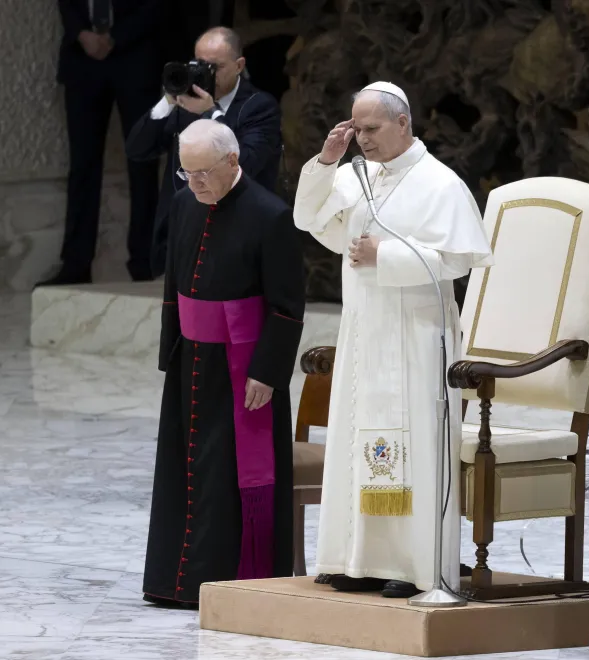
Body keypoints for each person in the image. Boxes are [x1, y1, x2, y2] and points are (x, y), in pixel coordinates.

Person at [294, 82, 493, 599]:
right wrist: (325, 159)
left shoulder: (439, 184)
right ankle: (354, 558)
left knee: (413, 446)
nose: (362, 139)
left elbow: (458, 261)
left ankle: (411, 565)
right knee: (355, 439)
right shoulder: (358, 175)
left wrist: (387, 255)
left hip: (416, 336)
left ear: (403, 123)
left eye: (371, 129)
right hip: (365, 331)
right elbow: (307, 217)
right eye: (355, 129)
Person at [142, 119, 305, 608]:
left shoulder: (270, 215)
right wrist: (171, 349)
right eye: (186, 173)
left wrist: (267, 372)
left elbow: (286, 304)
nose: (195, 184)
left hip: (244, 370)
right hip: (191, 361)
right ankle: (175, 584)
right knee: (183, 471)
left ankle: (229, 581)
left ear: (233, 162)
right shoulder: (183, 203)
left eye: (203, 173)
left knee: (227, 479)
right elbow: (173, 282)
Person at [127, 26, 283, 278]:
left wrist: (210, 113)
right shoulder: (184, 104)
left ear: (239, 65)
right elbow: (137, 149)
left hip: (235, 235)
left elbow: (246, 165)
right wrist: (168, 99)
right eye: (199, 64)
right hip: (182, 235)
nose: (206, 74)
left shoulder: (259, 106)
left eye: (216, 67)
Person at [43, 0, 163, 286]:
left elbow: (158, 6)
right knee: (83, 165)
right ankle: (76, 265)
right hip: (82, 61)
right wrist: (82, 34)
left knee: (143, 165)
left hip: (135, 57)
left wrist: (114, 37)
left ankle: (145, 264)